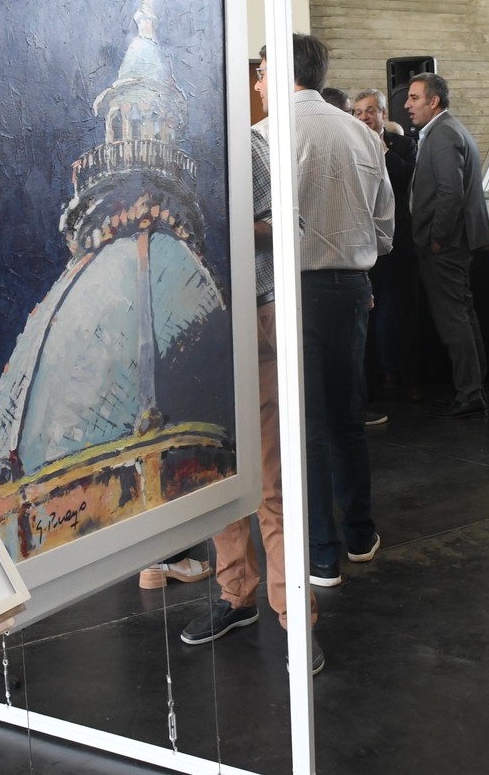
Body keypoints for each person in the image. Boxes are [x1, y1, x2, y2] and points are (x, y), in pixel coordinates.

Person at [180, 117, 322, 671]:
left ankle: (295, 620)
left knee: (270, 481)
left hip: (252, 317)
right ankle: (235, 595)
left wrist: (228, 223)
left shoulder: (240, 144)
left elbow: (288, 226)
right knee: (215, 474)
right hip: (197, 324)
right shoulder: (175, 144)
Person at [274, 36, 393, 588]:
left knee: (310, 424)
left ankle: (321, 553)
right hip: (351, 285)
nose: (257, 82)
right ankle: (360, 533)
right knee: (348, 414)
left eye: (262, 71)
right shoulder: (362, 134)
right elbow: (387, 227)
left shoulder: (262, 138)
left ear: (279, 70)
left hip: (292, 290)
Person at [406, 73, 489, 419]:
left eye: (414, 98)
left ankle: (470, 392)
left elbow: (450, 192)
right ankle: (472, 388)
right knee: (463, 315)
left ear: (434, 101)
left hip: (447, 244)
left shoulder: (442, 135)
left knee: (453, 318)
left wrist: (436, 238)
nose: (407, 104)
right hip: (453, 242)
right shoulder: (446, 130)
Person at [353, 88, 419, 404]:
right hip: (363, 242)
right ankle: (374, 380)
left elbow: (405, 178)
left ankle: (403, 376)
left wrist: (381, 149)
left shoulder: (404, 145)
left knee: (399, 313)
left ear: (382, 114)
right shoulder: (349, 146)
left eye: (370, 111)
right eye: (358, 112)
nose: (364, 117)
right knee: (370, 312)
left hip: (399, 242)